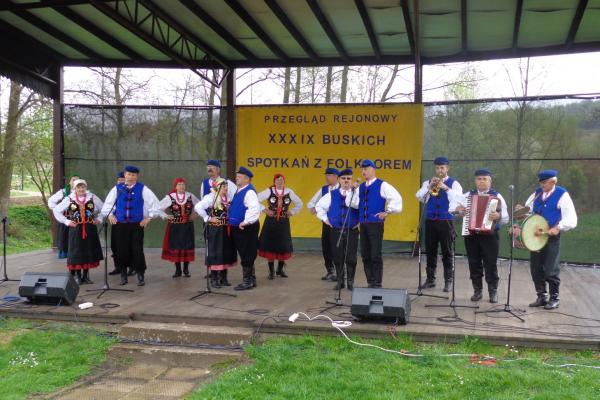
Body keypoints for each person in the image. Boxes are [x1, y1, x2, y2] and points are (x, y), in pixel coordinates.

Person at [513, 169, 577, 310]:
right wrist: (520, 211)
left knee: (550, 269)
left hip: (551, 237)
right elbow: (527, 212)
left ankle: (554, 298)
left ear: (554, 181)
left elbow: (572, 219)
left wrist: (558, 227)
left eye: (544, 183)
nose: (542, 185)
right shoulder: (537, 193)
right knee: (536, 268)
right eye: (541, 182)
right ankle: (541, 296)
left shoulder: (562, 194)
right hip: (535, 236)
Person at [453, 169, 508, 303]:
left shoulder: (497, 196)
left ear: (490, 181)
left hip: (490, 236)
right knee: (474, 262)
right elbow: (453, 208)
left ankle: (492, 291)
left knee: (490, 263)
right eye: (479, 179)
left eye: (484, 179)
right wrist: (458, 210)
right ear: (475, 181)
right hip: (472, 235)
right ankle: (477, 290)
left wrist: (498, 216)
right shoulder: (467, 195)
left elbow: (506, 218)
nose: (481, 181)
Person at [101, 165, 161, 286]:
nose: (130, 177)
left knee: (137, 250)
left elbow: (156, 205)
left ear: (137, 177)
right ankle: (123, 275)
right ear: (125, 175)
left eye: (133, 175)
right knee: (121, 250)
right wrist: (110, 215)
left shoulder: (143, 189)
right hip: (120, 225)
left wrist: (149, 218)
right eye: (128, 174)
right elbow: (107, 205)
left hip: (136, 225)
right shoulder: (117, 188)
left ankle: (140, 275)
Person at [348, 160, 402, 288]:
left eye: (366, 169)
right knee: (365, 253)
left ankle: (377, 282)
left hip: (376, 224)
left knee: (375, 254)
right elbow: (353, 203)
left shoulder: (382, 185)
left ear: (373, 169)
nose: (363, 171)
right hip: (364, 224)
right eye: (362, 169)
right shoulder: (360, 186)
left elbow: (396, 198)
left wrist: (388, 211)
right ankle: (370, 281)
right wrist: (352, 190)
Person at [415, 156, 463, 292]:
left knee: (447, 251)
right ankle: (430, 279)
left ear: (447, 168)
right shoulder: (429, 182)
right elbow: (419, 196)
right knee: (430, 251)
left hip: (446, 221)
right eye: (437, 168)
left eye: (442, 168)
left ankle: (448, 280)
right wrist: (429, 187)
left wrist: (445, 188)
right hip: (430, 221)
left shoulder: (454, 184)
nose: (439, 170)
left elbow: (459, 199)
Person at [52, 179, 104, 285]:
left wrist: (99, 219)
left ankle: (85, 276)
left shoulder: (92, 197)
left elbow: (104, 209)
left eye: (83, 187)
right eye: (78, 187)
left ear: (86, 187)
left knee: (88, 250)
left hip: (90, 229)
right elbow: (56, 210)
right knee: (76, 251)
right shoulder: (69, 199)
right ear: (75, 188)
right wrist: (67, 221)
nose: (81, 189)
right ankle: (78, 277)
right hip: (76, 229)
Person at [315, 168, 359, 290]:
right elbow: (319, 207)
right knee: (337, 256)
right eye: (343, 178)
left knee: (351, 257)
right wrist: (325, 219)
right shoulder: (331, 195)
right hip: (336, 230)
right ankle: (340, 281)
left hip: (351, 230)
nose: (346, 181)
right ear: (339, 180)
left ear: (352, 180)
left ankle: (350, 281)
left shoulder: (357, 194)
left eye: (348, 178)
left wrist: (359, 222)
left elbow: (362, 208)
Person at [257, 173, 303, 279]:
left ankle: (280, 269)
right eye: (277, 180)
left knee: (283, 244)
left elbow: (299, 203)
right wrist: (264, 209)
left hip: (283, 222)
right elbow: (255, 199)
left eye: (282, 180)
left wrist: (292, 212)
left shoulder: (289, 191)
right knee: (270, 245)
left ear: (284, 181)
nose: (280, 182)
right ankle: (271, 271)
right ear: (274, 181)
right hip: (271, 222)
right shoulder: (269, 191)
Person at [195, 177, 237, 288]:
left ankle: (223, 278)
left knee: (226, 251)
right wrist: (208, 218)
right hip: (215, 230)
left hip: (226, 229)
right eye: (224, 187)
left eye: (226, 186)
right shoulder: (211, 197)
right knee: (215, 252)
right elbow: (198, 207)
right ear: (217, 187)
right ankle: (214, 279)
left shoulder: (227, 198)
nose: (226, 189)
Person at [159, 178, 200, 278]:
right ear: (175, 186)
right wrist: (165, 216)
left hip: (187, 226)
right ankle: (178, 270)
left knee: (187, 246)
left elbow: (200, 205)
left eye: (183, 184)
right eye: (179, 184)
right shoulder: (170, 197)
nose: (181, 186)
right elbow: (158, 207)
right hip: (175, 227)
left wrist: (195, 214)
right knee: (176, 247)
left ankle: (186, 269)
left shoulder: (190, 196)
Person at [229, 166, 260, 291]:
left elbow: (254, 208)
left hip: (246, 228)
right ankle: (251, 279)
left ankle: (247, 281)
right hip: (241, 227)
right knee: (245, 252)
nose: (237, 178)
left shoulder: (249, 192)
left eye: (239, 177)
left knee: (247, 253)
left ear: (247, 179)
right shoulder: (240, 190)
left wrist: (246, 222)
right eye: (237, 176)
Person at [307, 168, 340, 282]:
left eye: (330, 175)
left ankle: (339, 271)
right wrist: (313, 208)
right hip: (326, 222)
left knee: (337, 246)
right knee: (326, 246)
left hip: (338, 222)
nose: (327, 177)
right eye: (326, 175)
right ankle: (330, 270)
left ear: (336, 177)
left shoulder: (342, 188)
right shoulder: (324, 189)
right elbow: (311, 202)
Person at [48, 174, 80, 259]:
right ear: (70, 181)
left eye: (77, 180)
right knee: (65, 239)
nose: (74, 182)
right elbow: (51, 201)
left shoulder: (82, 192)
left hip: (78, 220)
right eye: (73, 180)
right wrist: (58, 210)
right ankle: (67, 256)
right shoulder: (64, 192)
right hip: (66, 220)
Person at [108, 171, 134, 276]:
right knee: (115, 245)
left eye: (123, 180)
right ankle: (118, 266)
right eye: (119, 180)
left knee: (129, 245)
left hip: (128, 222)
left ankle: (132, 267)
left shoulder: (131, 191)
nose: (121, 182)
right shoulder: (115, 191)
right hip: (116, 222)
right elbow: (108, 205)